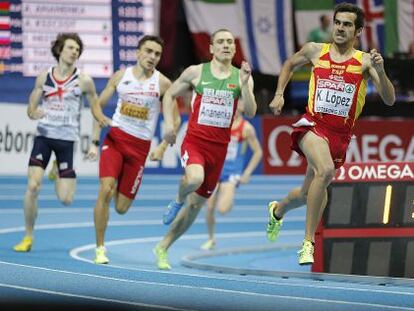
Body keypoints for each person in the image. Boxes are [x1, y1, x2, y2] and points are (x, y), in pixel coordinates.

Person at [267, 2, 395, 265]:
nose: (340, 28)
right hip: (312, 125)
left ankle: (278, 210)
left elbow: (389, 100)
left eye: (347, 24)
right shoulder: (315, 50)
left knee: (306, 194)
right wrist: (279, 94)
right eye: (338, 22)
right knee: (325, 171)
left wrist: (380, 72)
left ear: (358, 31)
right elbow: (290, 64)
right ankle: (307, 243)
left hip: (340, 135)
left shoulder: (365, 61)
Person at [153, 28, 257, 270]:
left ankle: (163, 247)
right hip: (195, 142)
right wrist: (169, 124)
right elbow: (169, 95)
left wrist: (245, 85)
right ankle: (177, 198)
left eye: (230, 42)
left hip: (219, 150)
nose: (226, 45)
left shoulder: (242, 76)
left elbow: (250, 112)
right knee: (194, 179)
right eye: (220, 42)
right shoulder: (196, 72)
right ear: (211, 48)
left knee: (195, 208)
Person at [90, 35, 180, 264]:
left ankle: (119, 179)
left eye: (157, 54)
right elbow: (97, 106)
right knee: (106, 189)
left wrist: (162, 146)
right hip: (116, 140)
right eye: (148, 51)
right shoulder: (121, 77)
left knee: (121, 208)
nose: (152, 57)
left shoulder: (163, 83)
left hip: (139, 149)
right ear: (138, 53)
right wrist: (99, 121)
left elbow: (176, 120)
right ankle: (100, 248)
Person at [13, 33, 99, 252]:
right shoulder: (44, 77)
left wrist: (94, 143)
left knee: (66, 199)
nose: (74, 52)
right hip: (44, 138)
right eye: (70, 48)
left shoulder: (84, 81)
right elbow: (31, 108)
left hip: (66, 142)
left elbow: (97, 113)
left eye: (77, 50)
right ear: (60, 50)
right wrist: (34, 112)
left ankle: (56, 169)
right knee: (33, 186)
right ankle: (28, 236)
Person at [200, 101, 262, 250]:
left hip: (232, 174)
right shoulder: (219, 123)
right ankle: (211, 238)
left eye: (238, 104)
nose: (235, 107)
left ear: (242, 107)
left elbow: (258, 152)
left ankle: (229, 198)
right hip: (215, 170)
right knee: (209, 206)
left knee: (222, 209)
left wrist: (247, 173)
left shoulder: (246, 128)